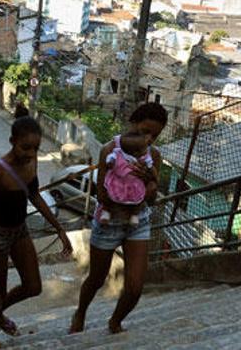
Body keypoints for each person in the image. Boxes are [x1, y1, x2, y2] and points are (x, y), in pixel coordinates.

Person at [0, 106, 73, 349]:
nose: (31, 153)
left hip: (20, 230)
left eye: (35, 148)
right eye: (25, 147)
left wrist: (59, 228)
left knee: (33, 286)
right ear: (12, 141)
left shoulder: (32, 162)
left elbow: (34, 196)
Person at [69, 102, 167, 336]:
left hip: (138, 222)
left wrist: (148, 184)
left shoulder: (153, 156)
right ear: (132, 124)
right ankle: (80, 312)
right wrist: (129, 192)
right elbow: (101, 195)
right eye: (144, 131)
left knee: (135, 286)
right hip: (109, 222)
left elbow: (152, 198)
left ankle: (115, 320)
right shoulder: (109, 151)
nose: (149, 138)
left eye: (155, 134)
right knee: (97, 278)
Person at [97, 131, 153, 226]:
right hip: (118, 181)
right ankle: (106, 211)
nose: (146, 150)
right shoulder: (118, 152)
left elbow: (149, 163)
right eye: (143, 149)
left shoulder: (144, 156)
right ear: (136, 151)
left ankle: (134, 214)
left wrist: (148, 166)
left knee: (139, 199)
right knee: (109, 195)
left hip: (134, 184)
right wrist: (111, 161)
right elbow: (111, 158)